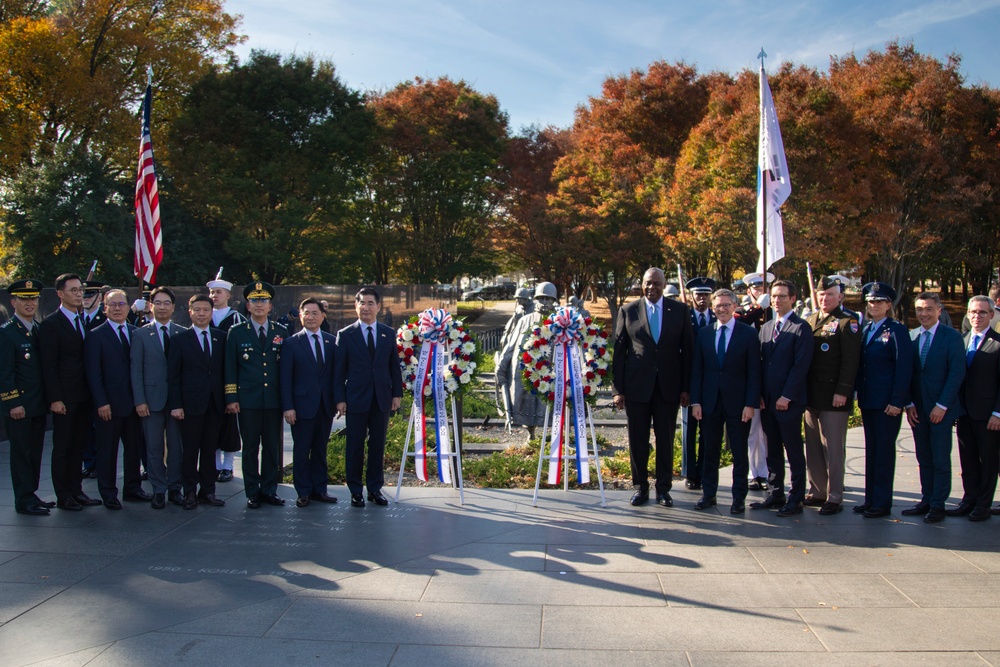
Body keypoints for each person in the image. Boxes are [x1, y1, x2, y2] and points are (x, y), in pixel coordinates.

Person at [612, 267, 694, 508]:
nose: (652, 287)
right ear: (642, 283)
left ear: (664, 284)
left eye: (657, 283)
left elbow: (687, 352)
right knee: (638, 439)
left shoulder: (679, 310)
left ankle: (663, 489)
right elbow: (619, 354)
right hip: (636, 387)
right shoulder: (628, 310)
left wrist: (686, 388)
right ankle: (640, 487)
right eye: (648, 283)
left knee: (666, 440)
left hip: (668, 388)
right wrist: (618, 390)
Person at [689, 288, 760, 514]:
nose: (722, 309)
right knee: (709, 451)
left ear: (735, 306)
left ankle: (738, 497)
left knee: (739, 452)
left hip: (738, 404)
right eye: (718, 306)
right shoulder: (705, 333)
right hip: (709, 403)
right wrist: (696, 402)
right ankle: (709, 494)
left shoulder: (748, 334)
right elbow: (697, 370)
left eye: (726, 305)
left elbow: (754, 373)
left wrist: (751, 404)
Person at [334, 287, 403, 508]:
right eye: (361, 303)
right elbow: (338, 371)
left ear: (378, 307)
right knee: (354, 445)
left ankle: (374, 488)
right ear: (356, 306)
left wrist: (396, 394)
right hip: (356, 398)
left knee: (377, 445)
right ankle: (355, 490)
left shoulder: (387, 333)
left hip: (381, 398)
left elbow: (393, 365)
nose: (366, 307)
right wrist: (340, 398)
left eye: (370, 303)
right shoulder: (345, 335)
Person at [751, 279, 814, 517]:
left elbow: (800, 367)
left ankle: (795, 498)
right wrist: (759, 395)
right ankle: (775, 492)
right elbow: (759, 364)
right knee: (772, 449)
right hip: (768, 401)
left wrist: (787, 396)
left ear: (793, 299)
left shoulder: (801, 328)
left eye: (782, 296)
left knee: (793, 450)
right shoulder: (766, 327)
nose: (777, 300)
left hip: (788, 401)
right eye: (774, 296)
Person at [83, 288, 150, 509]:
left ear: (128, 307)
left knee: (133, 449)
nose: (118, 308)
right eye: (112, 304)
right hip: (108, 406)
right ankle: (108, 493)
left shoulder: (137, 333)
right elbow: (94, 373)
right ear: (105, 308)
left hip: (134, 404)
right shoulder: (95, 335)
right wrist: (101, 402)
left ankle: (133, 488)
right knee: (107, 452)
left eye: (122, 304)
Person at [40, 273, 101, 511]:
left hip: (84, 396)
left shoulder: (83, 321)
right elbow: (49, 365)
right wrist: (55, 398)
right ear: (60, 294)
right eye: (73, 290)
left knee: (79, 445)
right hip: (64, 398)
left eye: (80, 290)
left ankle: (77, 490)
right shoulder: (51, 324)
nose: (79, 294)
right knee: (63, 446)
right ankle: (64, 494)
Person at [903, 292, 965, 523]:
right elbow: (906, 374)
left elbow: (956, 374)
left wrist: (942, 406)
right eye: (919, 309)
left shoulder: (952, 337)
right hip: (917, 410)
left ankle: (938, 504)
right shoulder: (912, 336)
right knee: (923, 457)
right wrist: (909, 404)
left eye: (929, 309)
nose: (923, 313)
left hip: (941, 410)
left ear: (939, 310)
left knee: (940, 458)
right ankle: (926, 499)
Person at [803, 275, 862, 515]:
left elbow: (851, 362)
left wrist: (843, 391)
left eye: (830, 295)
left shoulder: (848, 322)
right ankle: (817, 490)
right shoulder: (810, 320)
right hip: (811, 396)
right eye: (821, 294)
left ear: (840, 297)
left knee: (834, 448)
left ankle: (835, 495)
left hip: (833, 396)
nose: (825, 298)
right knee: (813, 446)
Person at [226, 282, 288, 509]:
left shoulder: (281, 332)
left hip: (273, 400)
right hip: (248, 401)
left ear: (270, 306)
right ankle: (252, 491)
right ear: (248, 305)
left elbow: (285, 369)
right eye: (254, 301)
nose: (259, 305)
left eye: (263, 301)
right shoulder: (237, 332)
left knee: (272, 447)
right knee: (250, 448)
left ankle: (269, 490)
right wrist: (231, 398)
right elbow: (230, 367)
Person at [855, 282, 912, 518]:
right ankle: (871, 499)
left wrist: (898, 401)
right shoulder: (866, 329)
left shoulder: (896, 330)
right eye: (870, 301)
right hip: (869, 401)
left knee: (884, 453)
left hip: (887, 404)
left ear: (888, 305)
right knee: (872, 452)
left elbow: (904, 368)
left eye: (879, 301)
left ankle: (882, 502)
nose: (873, 305)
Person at [168, 294, 227, 509]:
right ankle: (189, 492)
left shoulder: (221, 338)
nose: (202, 314)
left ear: (212, 313)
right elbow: (173, 376)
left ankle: (208, 491)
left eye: (206, 310)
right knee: (190, 450)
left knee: (210, 449)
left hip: (215, 404)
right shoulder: (179, 340)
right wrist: (176, 405)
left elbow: (225, 371)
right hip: (190, 404)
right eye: (197, 310)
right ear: (190, 312)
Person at [1, 279, 54, 515]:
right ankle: (23, 499)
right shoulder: (7, 334)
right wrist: (13, 403)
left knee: (35, 452)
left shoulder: (38, 329)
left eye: (33, 298)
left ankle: (31, 493)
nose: (30, 303)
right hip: (20, 406)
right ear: (13, 302)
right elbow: (5, 373)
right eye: (24, 299)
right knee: (21, 453)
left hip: (37, 404)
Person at [131, 286, 186, 509]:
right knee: (153, 448)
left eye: (166, 303)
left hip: (176, 403)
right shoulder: (141, 334)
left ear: (173, 307)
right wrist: (139, 400)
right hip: (150, 400)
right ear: (151, 306)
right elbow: (136, 370)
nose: (162, 307)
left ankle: (175, 488)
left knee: (177, 447)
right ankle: (158, 489)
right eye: (158, 303)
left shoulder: (183, 332)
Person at [281, 298, 338, 507]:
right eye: (307, 313)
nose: (311, 317)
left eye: (315, 313)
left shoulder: (333, 342)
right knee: (302, 450)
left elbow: (335, 376)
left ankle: (319, 490)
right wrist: (288, 407)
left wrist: (338, 401)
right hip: (301, 407)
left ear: (323, 316)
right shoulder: (291, 343)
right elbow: (285, 379)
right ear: (300, 315)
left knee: (321, 450)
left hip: (325, 406)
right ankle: (303, 491)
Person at [949, 295, 1000, 521]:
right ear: (967, 315)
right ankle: (969, 500)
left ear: (991, 315)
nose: (976, 316)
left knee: (988, 461)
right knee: (967, 459)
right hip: (964, 412)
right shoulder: (962, 340)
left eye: (981, 312)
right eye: (973, 312)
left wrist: (998, 413)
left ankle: (983, 505)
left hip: (988, 414)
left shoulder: (998, 343)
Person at [495, 283, 558, 438]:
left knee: (545, 402)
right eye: (541, 298)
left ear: (553, 301)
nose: (544, 302)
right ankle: (531, 433)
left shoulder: (559, 322)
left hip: (550, 369)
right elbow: (511, 344)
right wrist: (502, 364)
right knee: (527, 402)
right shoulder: (525, 320)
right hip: (526, 369)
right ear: (535, 299)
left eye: (548, 299)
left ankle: (550, 434)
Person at [736, 271, 774, 490]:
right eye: (756, 288)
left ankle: (769, 471)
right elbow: (738, 324)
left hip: (771, 379)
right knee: (752, 430)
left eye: (764, 288)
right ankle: (755, 472)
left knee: (769, 431)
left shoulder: (775, 312)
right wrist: (758, 308)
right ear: (749, 291)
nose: (761, 292)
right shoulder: (744, 312)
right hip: (750, 379)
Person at [208, 273, 245, 483]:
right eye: (212, 292)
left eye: (218, 292)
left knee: (229, 424)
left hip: (228, 377)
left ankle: (228, 465)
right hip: (208, 378)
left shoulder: (235, 318)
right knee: (211, 422)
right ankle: (213, 464)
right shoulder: (204, 314)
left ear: (228, 295)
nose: (214, 295)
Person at [682, 277, 716, 491]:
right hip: (688, 380)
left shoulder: (716, 317)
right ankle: (690, 473)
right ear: (692, 296)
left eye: (706, 295)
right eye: (698, 294)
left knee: (708, 430)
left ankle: (704, 471)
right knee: (688, 429)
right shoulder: (684, 317)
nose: (702, 299)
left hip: (711, 381)